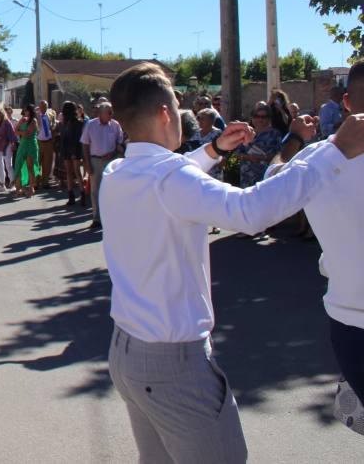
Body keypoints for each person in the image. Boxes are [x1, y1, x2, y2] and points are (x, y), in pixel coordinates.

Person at [102, 63, 364, 463]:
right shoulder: (170, 178)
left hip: (128, 355)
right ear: (165, 113)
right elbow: (249, 211)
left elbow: (171, 178)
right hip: (174, 366)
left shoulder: (119, 171)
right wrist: (334, 151)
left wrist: (213, 151)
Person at [268, 62, 364, 406]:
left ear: (346, 103)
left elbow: (270, 186)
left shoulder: (317, 160)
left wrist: (294, 138)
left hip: (350, 321)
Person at [80, 101, 124, 230]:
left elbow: (119, 143)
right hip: (95, 161)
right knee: (95, 191)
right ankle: (97, 218)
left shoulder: (115, 125)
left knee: (111, 190)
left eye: (112, 112)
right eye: (109, 112)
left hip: (111, 161)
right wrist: (87, 163)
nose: (112, 114)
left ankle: (110, 217)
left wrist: (114, 153)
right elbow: (85, 144)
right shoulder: (91, 125)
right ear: (101, 113)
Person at [237, 104, 283, 188]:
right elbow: (237, 154)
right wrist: (248, 157)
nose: (260, 119)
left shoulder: (275, 134)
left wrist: (262, 157)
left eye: (263, 117)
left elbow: (279, 156)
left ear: (269, 118)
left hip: (265, 177)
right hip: (245, 177)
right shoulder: (246, 133)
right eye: (256, 116)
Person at [58, 101, 86, 206]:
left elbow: (77, 138)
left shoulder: (78, 123)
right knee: (70, 172)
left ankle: (82, 193)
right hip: (67, 149)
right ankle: (71, 195)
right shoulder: (64, 123)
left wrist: (74, 152)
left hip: (74, 149)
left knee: (76, 172)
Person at [13, 105, 40, 198]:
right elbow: (15, 131)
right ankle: (21, 187)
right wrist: (21, 132)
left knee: (30, 167)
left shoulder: (34, 121)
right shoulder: (22, 119)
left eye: (27, 111)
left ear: (31, 111)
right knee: (19, 165)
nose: (25, 112)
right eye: (25, 111)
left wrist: (21, 132)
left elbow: (28, 133)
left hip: (31, 145)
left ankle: (31, 188)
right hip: (23, 144)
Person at [0, 108, 17, 192]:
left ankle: (13, 183)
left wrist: (13, 144)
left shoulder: (7, 122)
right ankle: (2, 184)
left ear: (1, 113)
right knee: (0, 165)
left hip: (6, 145)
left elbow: (12, 134)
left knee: (8, 164)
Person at [36, 100, 57, 187]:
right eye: (41, 106)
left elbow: (54, 126)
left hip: (48, 142)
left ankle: (45, 182)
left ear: (47, 107)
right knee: (37, 163)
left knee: (47, 163)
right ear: (39, 107)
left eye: (45, 106)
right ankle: (36, 182)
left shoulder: (51, 115)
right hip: (38, 142)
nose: (43, 108)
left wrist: (53, 139)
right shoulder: (36, 116)